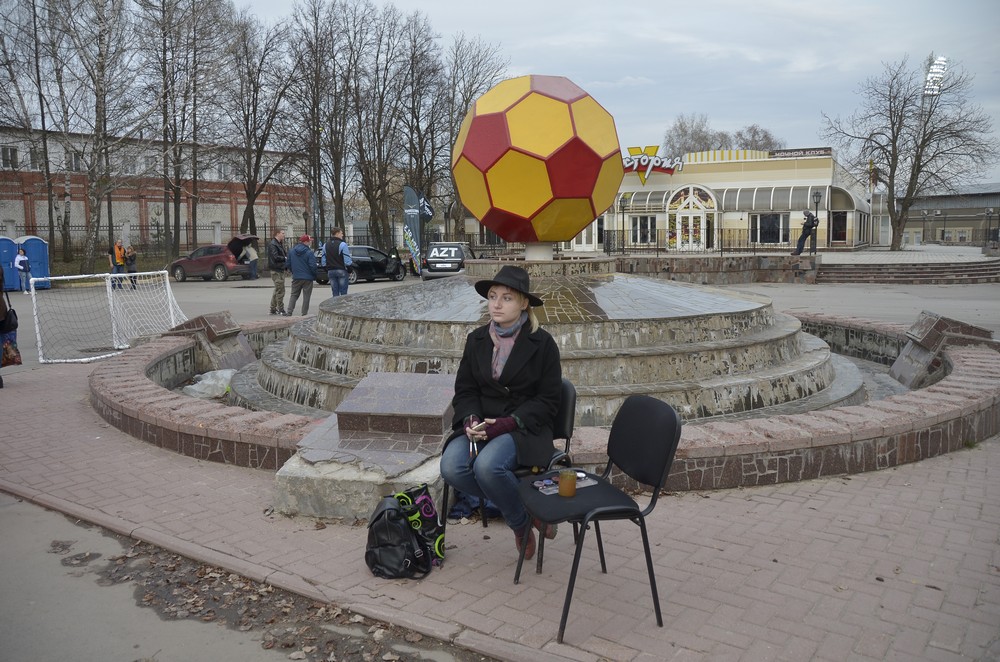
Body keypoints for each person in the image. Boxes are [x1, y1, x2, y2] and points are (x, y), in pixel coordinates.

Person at [439, 265, 562, 561]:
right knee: (452, 467)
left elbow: (548, 401)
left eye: (506, 298)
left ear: (524, 303)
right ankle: (525, 510)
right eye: (493, 296)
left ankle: (519, 526)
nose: (496, 304)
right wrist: (469, 419)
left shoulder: (542, 344)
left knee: (487, 467)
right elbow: (466, 390)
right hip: (481, 423)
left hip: (523, 426)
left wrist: (508, 423)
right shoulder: (477, 340)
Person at [285, 234, 317, 316]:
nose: (310, 243)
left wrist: (294, 272)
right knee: (306, 296)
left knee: (294, 295)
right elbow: (313, 266)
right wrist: (314, 275)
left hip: (296, 277)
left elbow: (288, 264)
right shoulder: (309, 253)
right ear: (305, 242)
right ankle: (304, 313)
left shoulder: (292, 251)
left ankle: (289, 311)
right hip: (308, 278)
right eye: (309, 241)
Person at [324, 227, 353, 297]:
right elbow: (347, 260)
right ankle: (342, 307)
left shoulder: (325, 245)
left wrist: (327, 269)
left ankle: (335, 307)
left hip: (331, 271)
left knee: (335, 292)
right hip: (341, 270)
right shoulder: (342, 244)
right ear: (337, 234)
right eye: (341, 233)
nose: (342, 235)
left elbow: (323, 261)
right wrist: (350, 270)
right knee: (343, 293)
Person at [266, 229, 288, 315]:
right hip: (276, 270)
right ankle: (280, 309)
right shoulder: (273, 244)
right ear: (277, 234)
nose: (284, 235)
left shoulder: (278, 243)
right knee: (280, 290)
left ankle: (273, 308)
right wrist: (285, 258)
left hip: (279, 269)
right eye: (282, 233)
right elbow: (275, 257)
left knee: (277, 289)